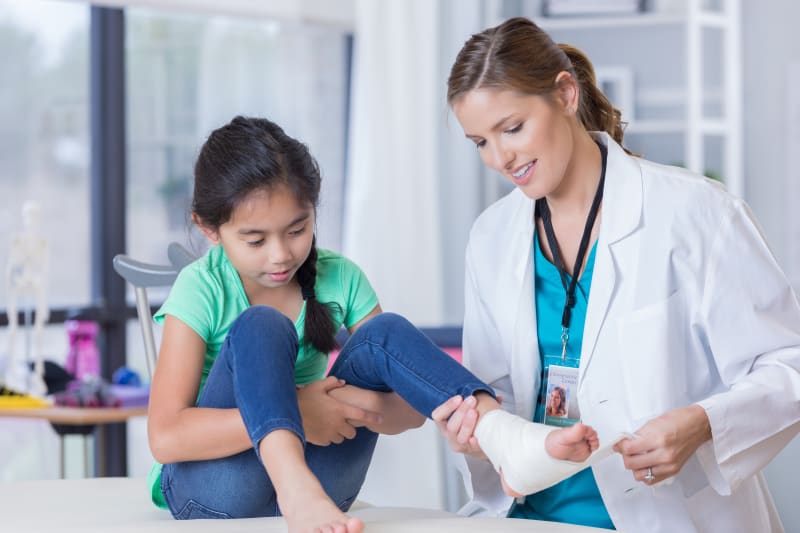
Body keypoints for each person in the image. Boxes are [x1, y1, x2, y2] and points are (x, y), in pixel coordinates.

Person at [146, 115, 603, 533]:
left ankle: (498, 435)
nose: (281, 254)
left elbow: (406, 412)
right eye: (255, 240)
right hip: (215, 489)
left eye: (297, 230)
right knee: (261, 324)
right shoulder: (201, 287)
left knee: (383, 334)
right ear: (209, 229)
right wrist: (298, 414)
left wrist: (342, 406)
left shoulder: (340, 277)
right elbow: (166, 438)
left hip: (323, 481)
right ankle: (294, 487)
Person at [434, 16, 800, 532]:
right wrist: (480, 435)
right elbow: (497, 394)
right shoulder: (491, 236)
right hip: (532, 518)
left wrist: (701, 424)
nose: (500, 158)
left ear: (566, 94)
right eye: (480, 142)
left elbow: (788, 365)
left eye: (512, 128)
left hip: (665, 516)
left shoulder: (695, 212)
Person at [4, 201, 49, 397]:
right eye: (28, 216)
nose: (31, 221)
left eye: (35, 216)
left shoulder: (42, 242)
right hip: (19, 285)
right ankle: (12, 372)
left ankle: (37, 374)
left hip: (35, 285)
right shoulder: (17, 241)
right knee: (14, 330)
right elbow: (10, 269)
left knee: (38, 331)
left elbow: (44, 269)